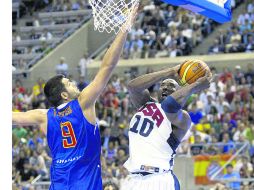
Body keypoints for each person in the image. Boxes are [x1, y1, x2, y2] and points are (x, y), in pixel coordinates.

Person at [12, 7, 138, 190]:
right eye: (69, 83)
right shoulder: (83, 102)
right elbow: (107, 66)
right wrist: (125, 27)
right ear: (64, 94)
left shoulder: (43, 116)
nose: (74, 84)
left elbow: (12, 117)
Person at [122, 60, 212, 190]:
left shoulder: (183, 118)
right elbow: (132, 87)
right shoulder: (145, 103)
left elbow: (168, 105)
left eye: (171, 87)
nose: (166, 88)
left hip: (158, 179)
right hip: (133, 179)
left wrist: (196, 85)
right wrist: (169, 72)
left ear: (180, 92)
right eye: (163, 85)